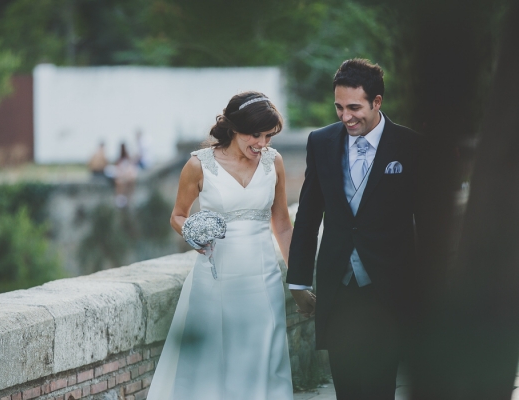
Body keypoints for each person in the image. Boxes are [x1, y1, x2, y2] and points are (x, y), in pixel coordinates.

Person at [287, 59, 426, 400]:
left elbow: (429, 220)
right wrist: (299, 280)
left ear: (376, 102)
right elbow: (308, 214)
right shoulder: (320, 142)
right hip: (340, 285)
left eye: (354, 107)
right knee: (347, 389)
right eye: (339, 107)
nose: (345, 116)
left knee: (380, 388)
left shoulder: (410, 145)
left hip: (389, 287)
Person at [147, 91, 294, 400]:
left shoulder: (273, 162)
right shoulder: (199, 166)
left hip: (263, 281)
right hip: (215, 282)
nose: (263, 143)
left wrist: (298, 279)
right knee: (211, 368)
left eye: (268, 136)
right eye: (255, 135)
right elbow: (177, 215)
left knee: (263, 364)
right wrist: (192, 232)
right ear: (234, 129)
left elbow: (281, 223)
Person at [114, 142, 138, 208]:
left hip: (126, 177)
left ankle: (124, 198)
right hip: (125, 177)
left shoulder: (123, 160)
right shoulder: (125, 159)